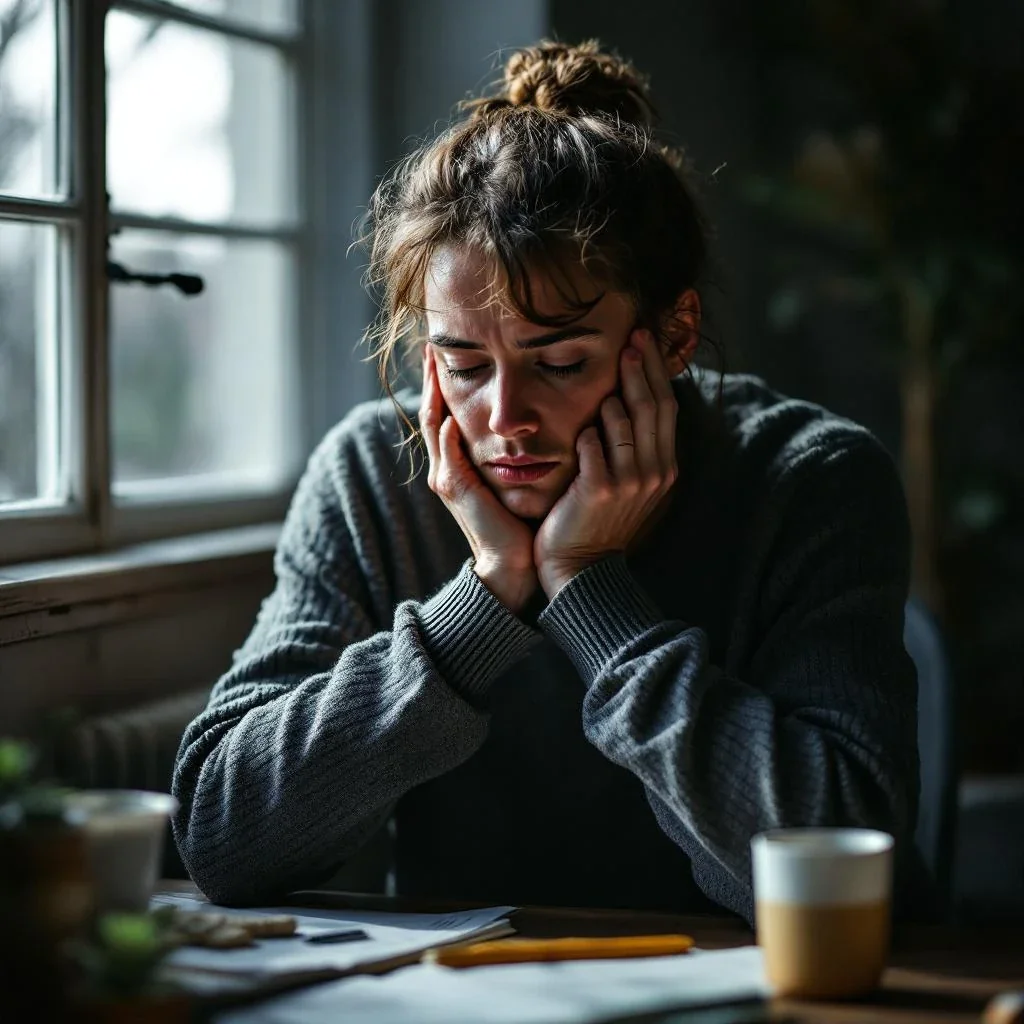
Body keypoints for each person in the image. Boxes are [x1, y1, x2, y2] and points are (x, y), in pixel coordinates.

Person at [171, 40, 922, 925]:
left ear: (674, 336)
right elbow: (220, 842)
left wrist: (592, 593)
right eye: (462, 363)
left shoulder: (814, 482)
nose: (504, 419)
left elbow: (833, 871)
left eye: (559, 362)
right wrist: (479, 612)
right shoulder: (375, 476)